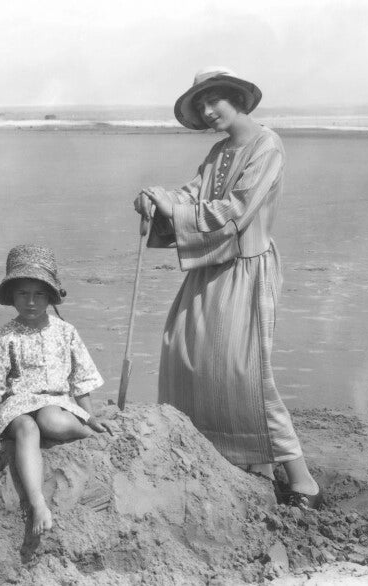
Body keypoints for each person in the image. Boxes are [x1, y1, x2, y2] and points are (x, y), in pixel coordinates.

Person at [133, 66, 320, 510]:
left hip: (246, 269)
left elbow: (236, 210)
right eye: (200, 105)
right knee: (187, 358)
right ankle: (240, 464)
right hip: (209, 266)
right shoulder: (218, 152)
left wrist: (174, 210)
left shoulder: (267, 146)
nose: (207, 110)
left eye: (213, 99)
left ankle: (302, 479)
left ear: (235, 97)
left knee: (245, 372)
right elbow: (192, 194)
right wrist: (156, 197)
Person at [0, 244, 114, 534]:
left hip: (56, 403)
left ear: (51, 296)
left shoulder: (66, 332)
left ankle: (89, 436)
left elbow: (82, 380)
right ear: (12, 296)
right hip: (17, 406)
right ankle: (38, 502)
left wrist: (90, 417)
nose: (31, 302)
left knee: (50, 418)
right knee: (29, 427)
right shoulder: (6, 336)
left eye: (39, 294)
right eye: (23, 294)